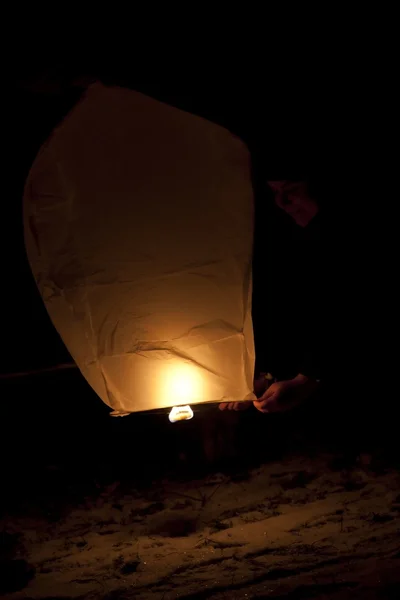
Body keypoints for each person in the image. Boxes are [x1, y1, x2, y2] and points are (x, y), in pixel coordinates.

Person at [220, 180, 321, 414]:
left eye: (292, 190)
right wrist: (268, 377)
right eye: (275, 192)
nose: (282, 202)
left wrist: (307, 380)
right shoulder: (286, 241)